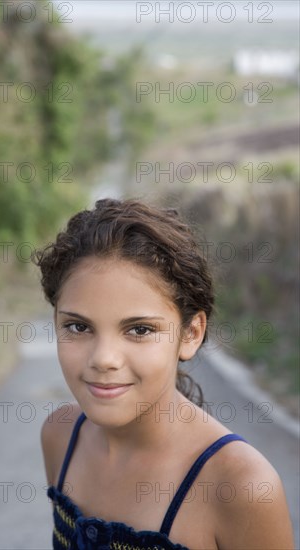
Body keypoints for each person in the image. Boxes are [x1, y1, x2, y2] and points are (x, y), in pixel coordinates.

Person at [34, 197, 294, 549]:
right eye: (79, 327)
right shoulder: (60, 436)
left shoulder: (241, 486)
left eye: (139, 330)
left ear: (190, 334)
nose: (104, 359)